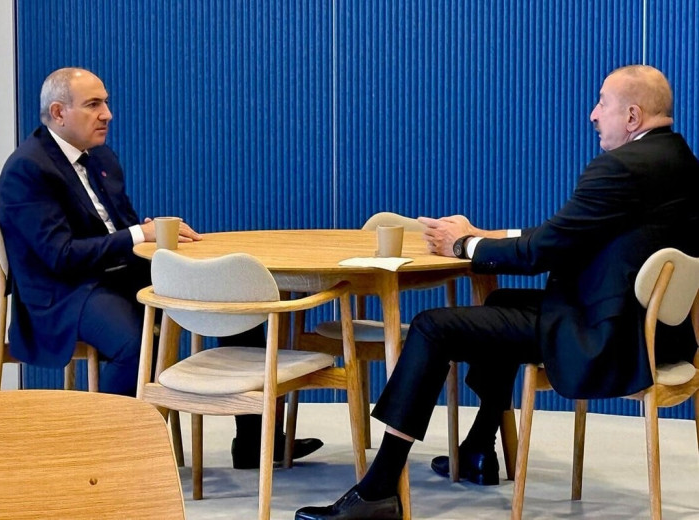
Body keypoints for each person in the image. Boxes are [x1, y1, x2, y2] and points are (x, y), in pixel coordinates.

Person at [295, 64, 699, 520]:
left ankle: (378, 490)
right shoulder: (681, 161)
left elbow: (543, 251)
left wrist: (464, 246)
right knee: (500, 304)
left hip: (606, 339)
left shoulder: (620, 168)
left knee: (431, 327)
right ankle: (478, 448)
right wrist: (484, 237)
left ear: (632, 116)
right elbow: (567, 233)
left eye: (602, 103)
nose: (592, 114)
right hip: (655, 333)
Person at [0, 67, 322, 469]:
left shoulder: (101, 157)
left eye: (106, 102)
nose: (107, 114)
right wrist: (138, 234)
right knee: (133, 343)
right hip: (65, 291)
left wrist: (152, 238)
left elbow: (123, 227)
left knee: (237, 295)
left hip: (117, 274)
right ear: (59, 112)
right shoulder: (27, 170)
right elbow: (60, 256)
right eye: (94, 105)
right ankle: (111, 457)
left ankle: (255, 442)